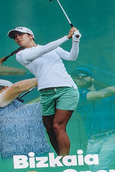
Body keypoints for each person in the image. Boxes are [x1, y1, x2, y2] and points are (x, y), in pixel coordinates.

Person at [6, 25, 81, 155]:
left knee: (58, 126)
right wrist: (67, 37)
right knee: (49, 128)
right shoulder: (21, 54)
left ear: (31, 36)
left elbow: (71, 57)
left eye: (20, 35)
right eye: (14, 37)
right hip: (46, 92)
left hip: (66, 89)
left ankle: (66, 160)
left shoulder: (54, 48)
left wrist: (75, 40)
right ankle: (60, 157)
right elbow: (44, 50)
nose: (17, 38)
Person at [71, 68, 115, 166]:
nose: (80, 78)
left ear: (92, 79)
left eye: (84, 76)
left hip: (113, 136)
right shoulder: (76, 95)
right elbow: (101, 94)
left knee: (100, 170)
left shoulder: (109, 93)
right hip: (93, 141)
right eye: (77, 77)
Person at [0, 77, 50, 158]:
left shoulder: (32, 108)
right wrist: (43, 77)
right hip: (12, 163)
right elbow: (16, 88)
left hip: (42, 161)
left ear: (5, 89)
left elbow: (51, 102)